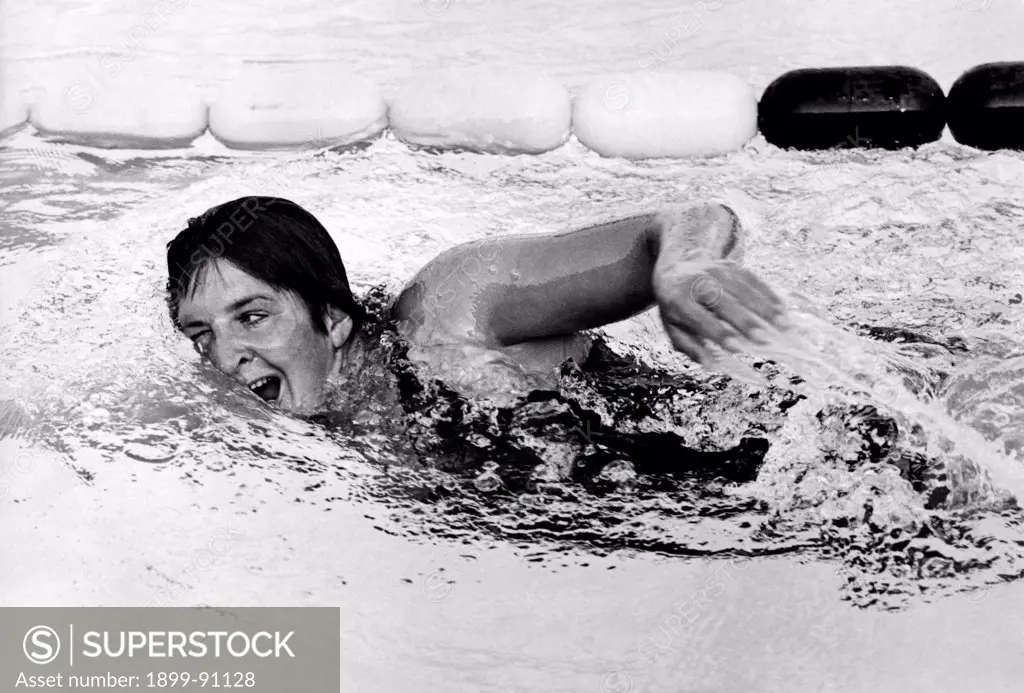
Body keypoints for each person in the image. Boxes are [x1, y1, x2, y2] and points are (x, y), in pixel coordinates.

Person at [166, 196, 789, 416]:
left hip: (768, 441)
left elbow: (690, 217)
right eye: (200, 335)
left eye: (252, 317)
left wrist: (687, 269)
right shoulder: (321, 417)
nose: (224, 358)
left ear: (333, 319)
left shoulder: (449, 306)